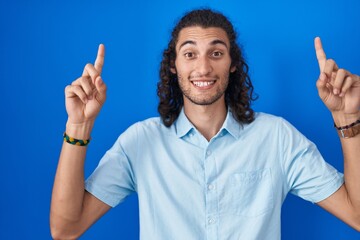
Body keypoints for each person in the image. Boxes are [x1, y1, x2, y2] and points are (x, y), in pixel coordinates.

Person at [50, 9, 360, 240]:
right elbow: (65, 228)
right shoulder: (139, 141)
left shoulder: (276, 137)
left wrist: (347, 118)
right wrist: (78, 125)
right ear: (174, 65)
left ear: (232, 63)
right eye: (190, 54)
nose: (203, 67)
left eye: (216, 53)